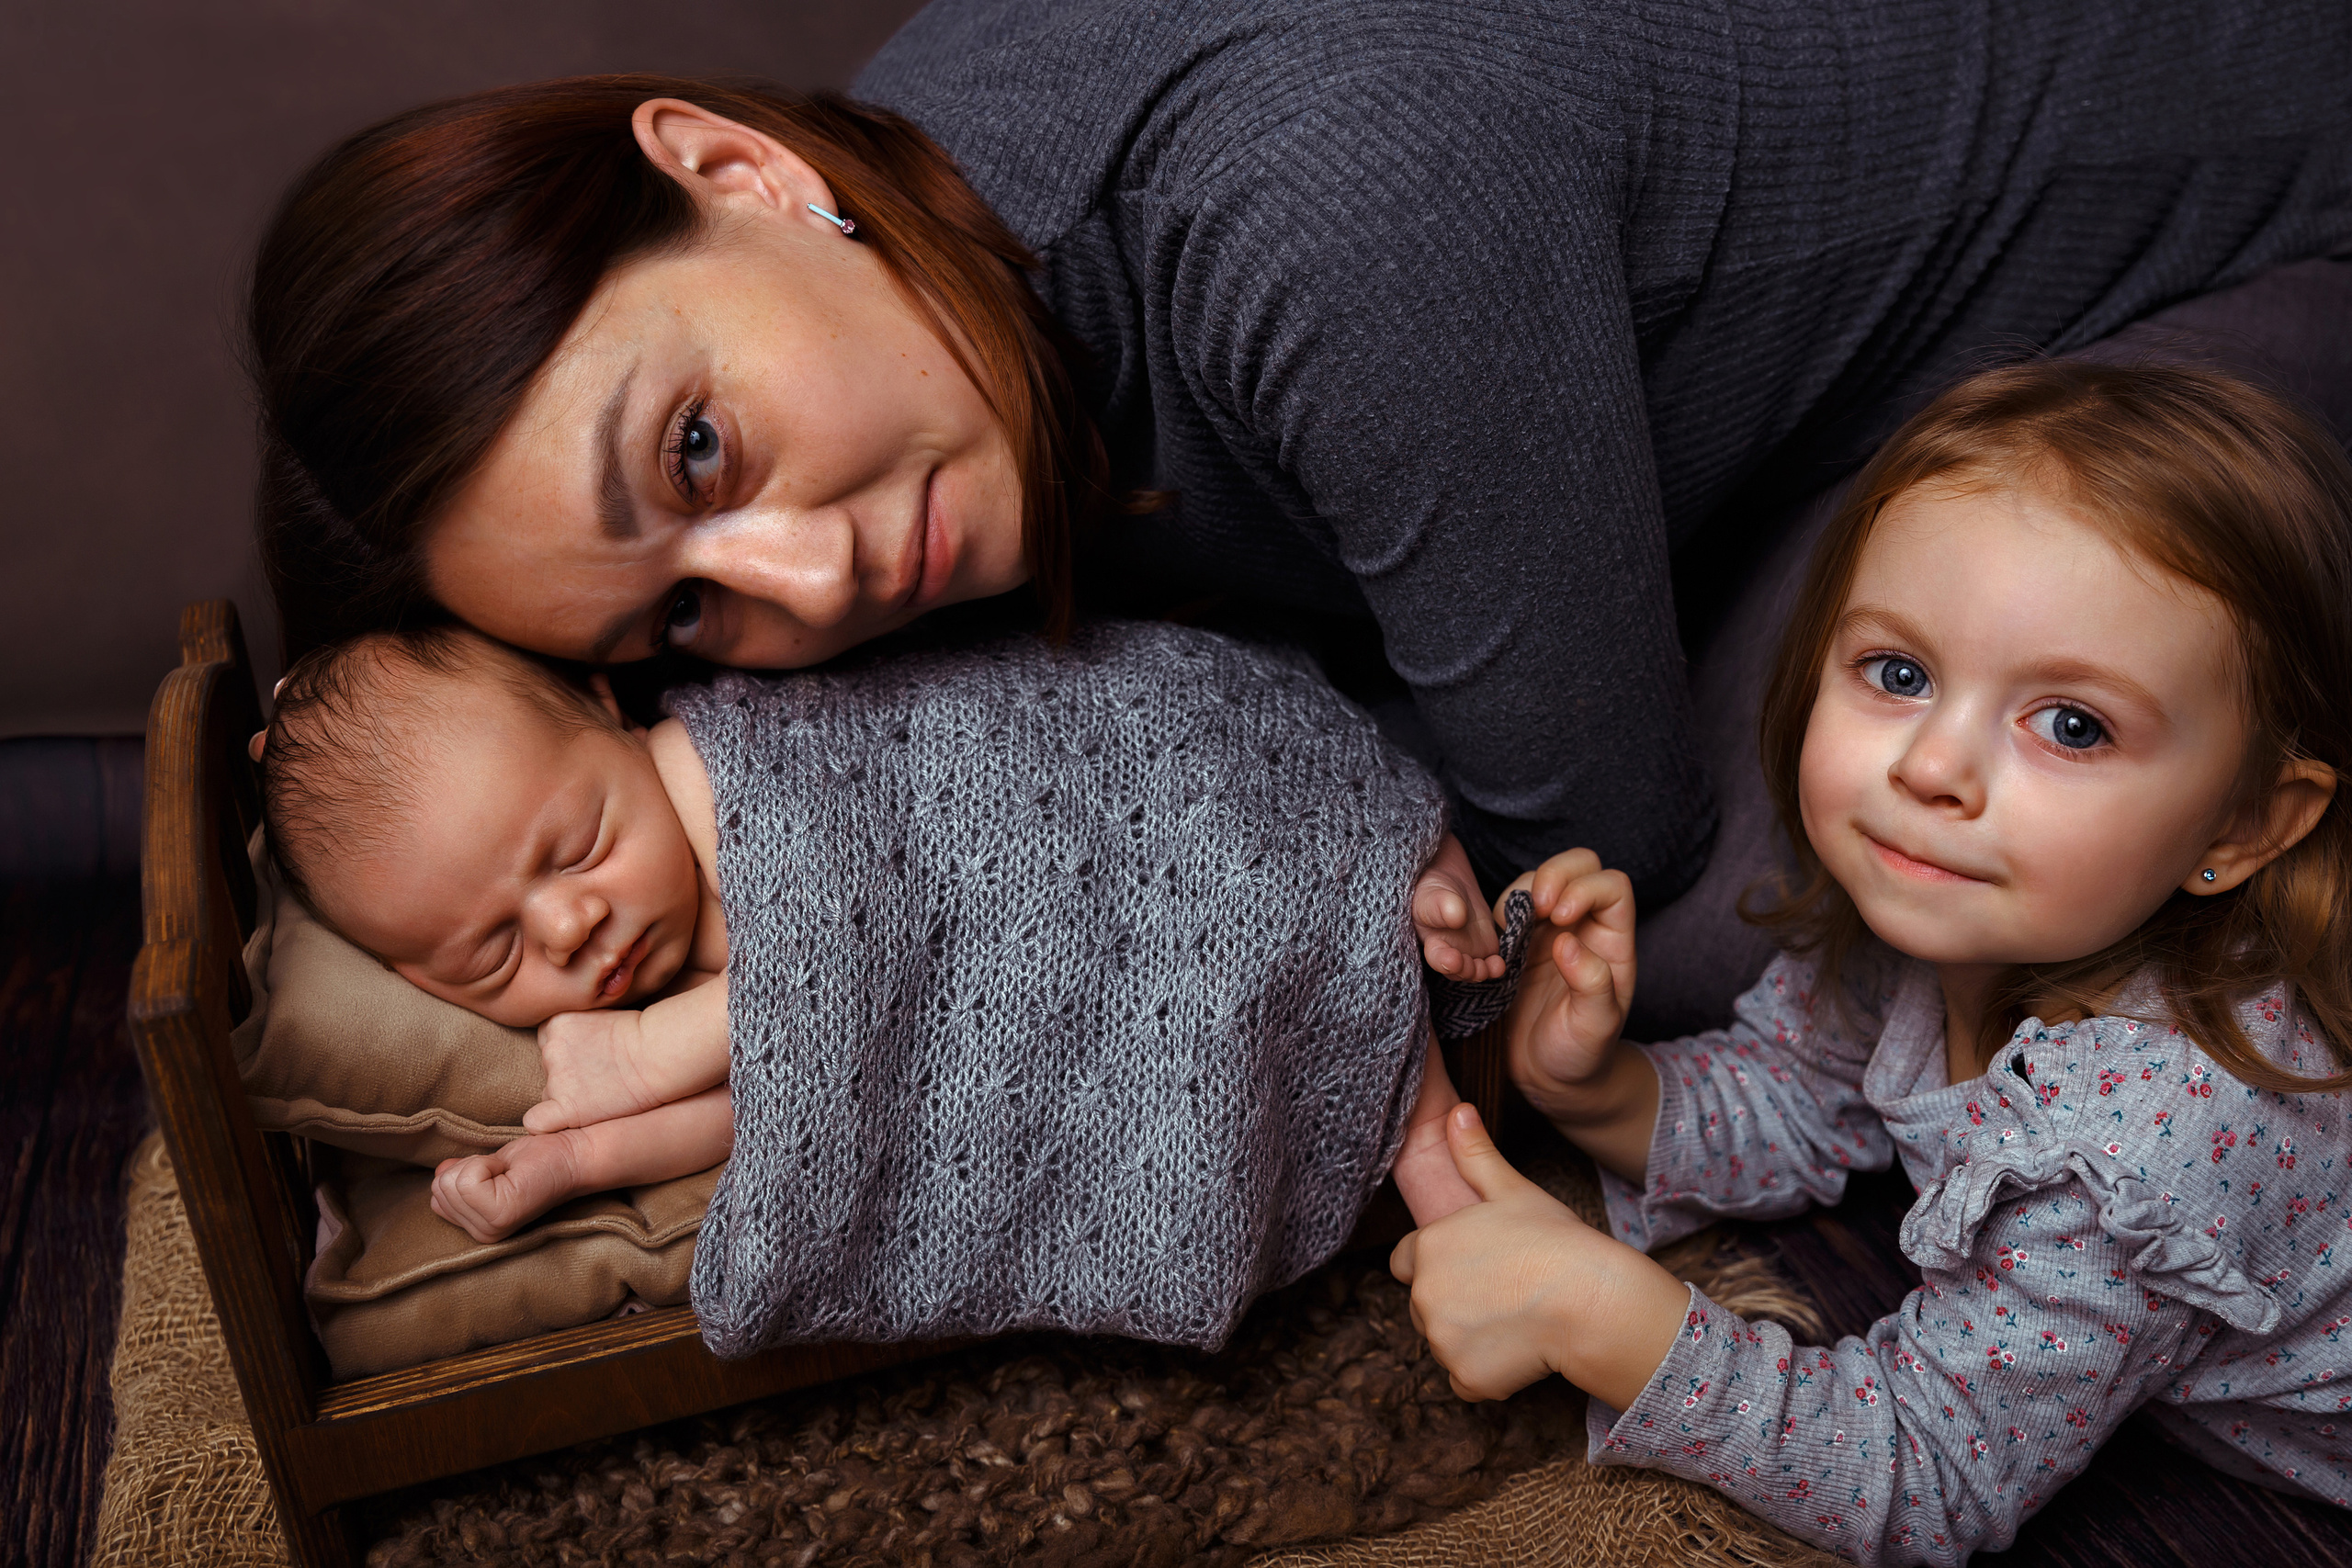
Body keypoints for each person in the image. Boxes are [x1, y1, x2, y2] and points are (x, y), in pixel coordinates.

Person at [246, 3, 2352, 946]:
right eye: (680, 615)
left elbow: (1580, 870)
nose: (803, 578)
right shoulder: (904, 222)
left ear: (735, 168)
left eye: (699, 445)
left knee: (1740, 906)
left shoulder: (1316, 213)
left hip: (2230, 234)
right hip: (1709, 424)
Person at [1390, 360, 2352, 1556]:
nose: (1931, 768)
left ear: (2240, 827)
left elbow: (1929, 1472)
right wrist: (1590, 1082)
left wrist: (1603, 1312)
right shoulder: (1950, 915)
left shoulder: (2149, 1149)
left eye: (2072, 724)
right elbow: (1796, 1094)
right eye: (1898, 675)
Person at [254, 619, 1509, 1344]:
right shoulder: (633, 924)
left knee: (1255, 878)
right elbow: (818, 1098)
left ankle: (1388, 874)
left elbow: (861, 930)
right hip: (1071, 931)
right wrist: (570, 1164)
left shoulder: (724, 774)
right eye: (495, 954)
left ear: (606, 714)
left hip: (1121, 765)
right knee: (1291, 978)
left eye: (572, 844)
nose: (574, 925)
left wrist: (649, 1051)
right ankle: (1461, 1174)